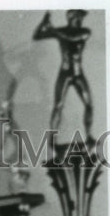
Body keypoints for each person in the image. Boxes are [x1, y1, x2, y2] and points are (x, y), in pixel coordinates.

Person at [33, 10, 95, 140]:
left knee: (89, 104)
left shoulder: (84, 31)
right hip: (65, 73)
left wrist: (53, 30)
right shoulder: (61, 31)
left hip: (78, 73)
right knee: (58, 105)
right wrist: (44, 22)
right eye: (79, 16)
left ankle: (88, 135)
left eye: (81, 17)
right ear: (71, 17)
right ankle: (53, 137)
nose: (81, 19)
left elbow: (73, 38)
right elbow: (37, 35)